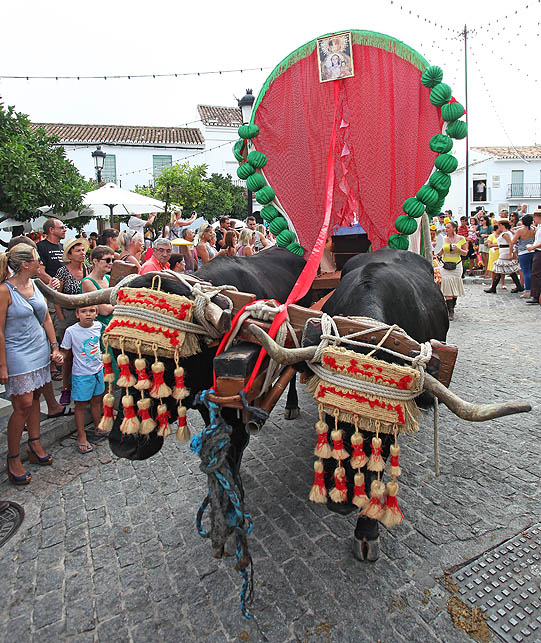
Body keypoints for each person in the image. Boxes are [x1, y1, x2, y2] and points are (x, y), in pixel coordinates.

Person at [0, 244, 63, 484]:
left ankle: (34, 444)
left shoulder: (35, 284)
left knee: (35, 398)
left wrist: (54, 346)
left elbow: (46, 316)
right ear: (25, 264)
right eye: (37, 260)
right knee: (22, 404)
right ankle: (13, 456)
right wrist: (2, 366)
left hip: (38, 349)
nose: (41, 263)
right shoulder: (4, 291)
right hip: (17, 352)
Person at [61, 305, 104, 453]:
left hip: (98, 371)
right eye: (84, 311)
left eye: (92, 311)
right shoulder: (71, 331)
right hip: (81, 374)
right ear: (77, 314)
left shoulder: (99, 326)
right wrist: (59, 357)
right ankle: (81, 435)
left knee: (97, 400)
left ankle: (98, 426)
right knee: (80, 405)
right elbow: (65, 352)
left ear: (97, 313)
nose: (88, 314)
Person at [54, 237, 90, 342]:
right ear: (69, 255)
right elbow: (56, 296)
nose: (82, 253)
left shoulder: (88, 268)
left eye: (83, 250)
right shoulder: (62, 272)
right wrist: (61, 318)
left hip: (84, 314)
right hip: (68, 313)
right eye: (78, 251)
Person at [437, 221, 467, 320]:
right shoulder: (442, 239)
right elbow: (438, 253)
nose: (446, 229)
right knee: (446, 285)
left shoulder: (461, 239)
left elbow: (465, 253)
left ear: (454, 228)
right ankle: (450, 311)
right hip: (445, 265)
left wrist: (459, 250)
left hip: (457, 266)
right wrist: (438, 248)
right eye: (446, 227)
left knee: (454, 286)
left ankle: (452, 304)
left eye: (448, 227)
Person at [484, 220, 523, 294]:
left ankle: (493, 287)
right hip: (504, 251)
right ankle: (518, 286)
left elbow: (510, 243)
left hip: (505, 253)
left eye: (499, 225)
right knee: (508, 270)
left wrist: (510, 253)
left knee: (500, 269)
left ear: (502, 225)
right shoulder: (507, 233)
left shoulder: (505, 234)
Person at [511, 214, 535, 298]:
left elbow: (513, 241)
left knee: (526, 272)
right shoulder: (533, 229)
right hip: (532, 251)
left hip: (523, 252)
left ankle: (528, 290)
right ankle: (533, 289)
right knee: (532, 271)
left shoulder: (520, 231)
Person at [524, 208, 541, 305]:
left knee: (536, 274)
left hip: (538, 251)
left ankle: (536, 295)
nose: (534, 219)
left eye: (535, 216)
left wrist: (533, 247)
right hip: (537, 250)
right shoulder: (538, 227)